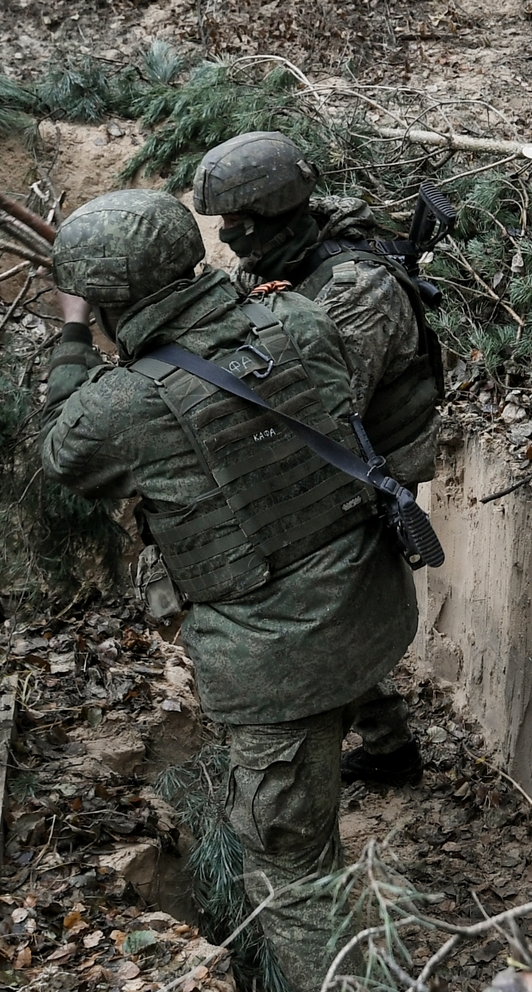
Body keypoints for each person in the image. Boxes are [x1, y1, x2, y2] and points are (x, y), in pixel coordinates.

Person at [38, 189, 419, 992]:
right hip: (367, 600)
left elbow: (65, 447)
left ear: (110, 298)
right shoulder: (297, 319)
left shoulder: (122, 406)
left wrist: (73, 331)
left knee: (287, 860)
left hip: (277, 658)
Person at [191, 130, 445, 787]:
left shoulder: (356, 289)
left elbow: (328, 407)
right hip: (322, 453)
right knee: (331, 617)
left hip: (366, 463)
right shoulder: (278, 255)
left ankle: (367, 750)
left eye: (237, 226)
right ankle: (389, 748)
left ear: (274, 214)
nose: (229, 240)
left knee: (323, 615)